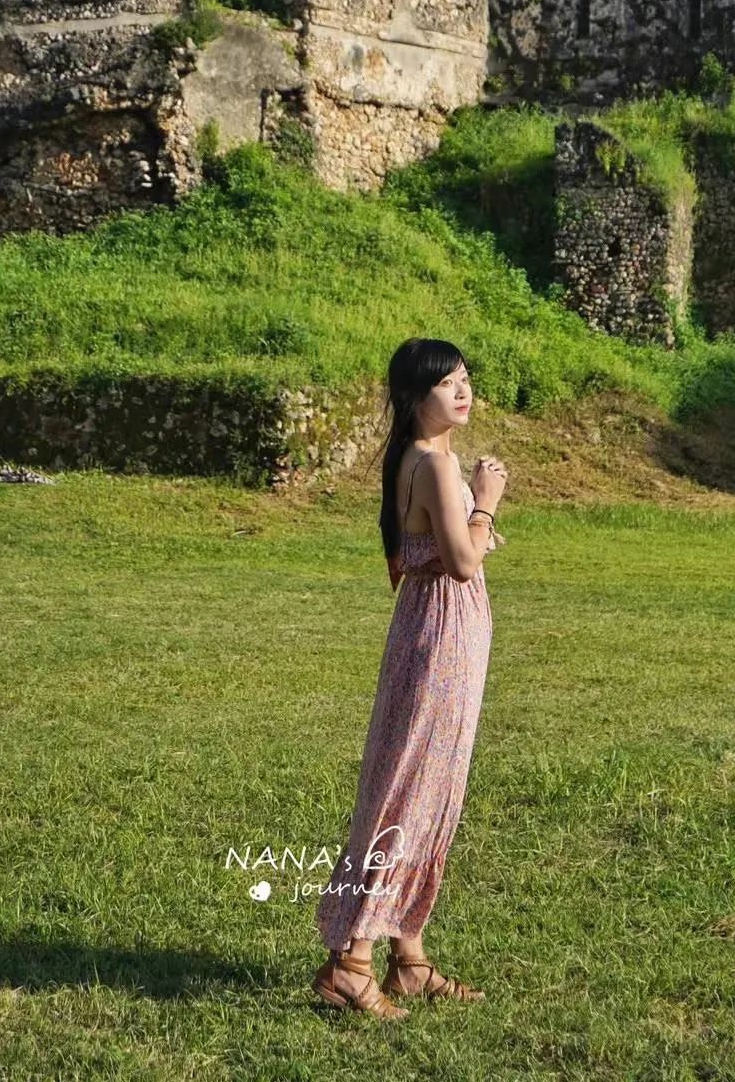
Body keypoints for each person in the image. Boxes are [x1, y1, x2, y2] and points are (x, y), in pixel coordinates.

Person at [311, 337, 508, 1019]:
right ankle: (352, 962)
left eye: (466, 378)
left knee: (427, 784)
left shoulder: (426, 456)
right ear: (411, 397)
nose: (463, 390)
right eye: (447, 383)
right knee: (412, 790)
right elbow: (460, 559)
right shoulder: (429, 464)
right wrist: (486, 501)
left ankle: (411, 959)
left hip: (439, 633)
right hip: (440, 638)